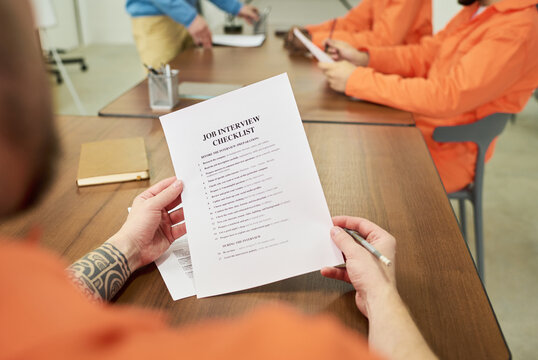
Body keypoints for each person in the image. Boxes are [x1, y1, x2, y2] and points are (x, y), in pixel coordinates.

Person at [1, 1, 436, 359]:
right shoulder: (302, 347)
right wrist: (381, 298)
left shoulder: (17, 304)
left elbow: (43, 310)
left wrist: (130, 247)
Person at [319, 0, 538, 193]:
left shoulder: (517, 28)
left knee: (339, 166)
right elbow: (425, 55)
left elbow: (447, 96)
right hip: (419, 129)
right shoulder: (479, 9)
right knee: (335, 146)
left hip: (445, 150)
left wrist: (357, 80)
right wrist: (365, 59)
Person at [126, 0, 260, 68]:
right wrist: (190, 18)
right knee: (163, 84)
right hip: (155, 18)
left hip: (189, 16)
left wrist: (235, 7)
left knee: (194, 76)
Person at [284, 0, 432, 55]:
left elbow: (383, 41)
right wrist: (309, 32)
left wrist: (313, 40)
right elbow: (352, 23)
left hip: (405, 79)